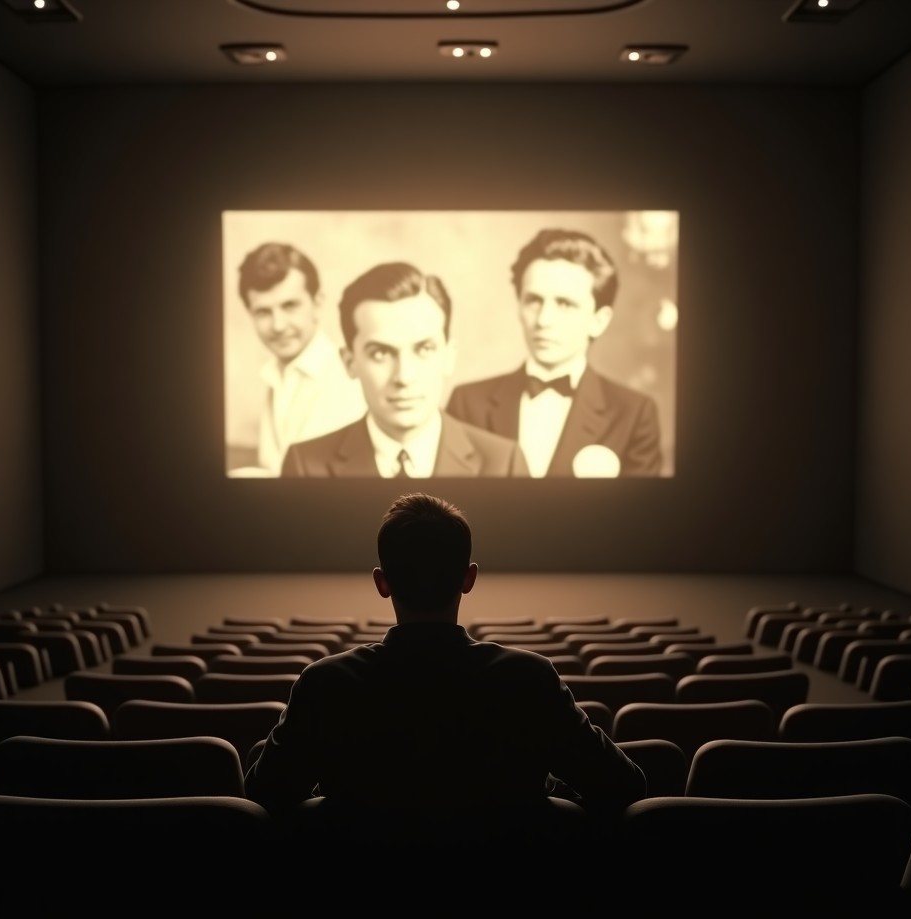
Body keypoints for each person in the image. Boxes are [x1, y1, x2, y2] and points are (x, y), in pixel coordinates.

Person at [244, 492, 646, 820]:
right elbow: (622, 786)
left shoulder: (325, 682)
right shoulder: (529, 678)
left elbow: (266, 793)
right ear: (469, 578)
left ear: (382, 583)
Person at [446, 227, 663, 477]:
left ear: (599, 320)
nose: (544, 320)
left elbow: (642, 514)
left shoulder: (633, 413)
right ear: (519, 307)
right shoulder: (468, 403)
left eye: (564, 304)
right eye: (534, 301)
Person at [280, 262, 529, 478]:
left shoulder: (504, 464)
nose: (404, 377)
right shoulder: (305, 466)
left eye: (424, 350)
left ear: (448, 356)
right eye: (381, 353)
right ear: (349, 362)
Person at [226, 241, 366, 476]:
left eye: (289, 306)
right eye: (263, 312)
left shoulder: (347, 379)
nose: (278, 325)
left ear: (318, 303)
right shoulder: (276, 374)